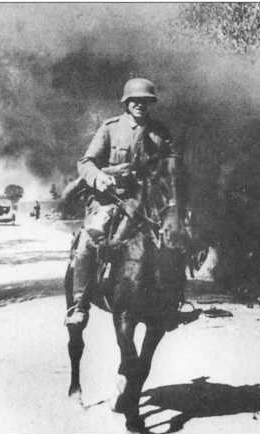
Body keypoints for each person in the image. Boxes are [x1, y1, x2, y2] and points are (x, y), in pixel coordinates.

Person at [65, 78, 183, 326]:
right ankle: (79, 305)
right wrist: (99, 178)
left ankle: (173, 303)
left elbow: (171, 166)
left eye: (145, 101)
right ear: (126, 103)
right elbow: (86, 162)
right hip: (112, 199)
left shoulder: (160, 131)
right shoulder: (111, 128)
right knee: (90, 239)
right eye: (135, 100)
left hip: (148, 201)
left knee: (173, 242)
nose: (140, 104)